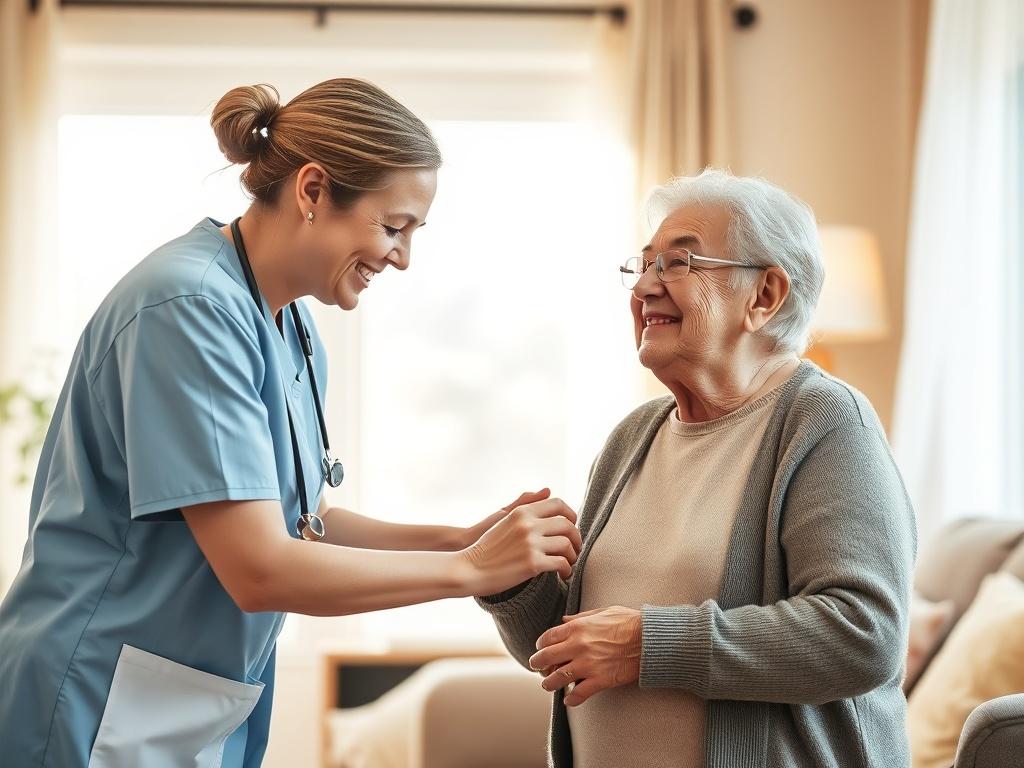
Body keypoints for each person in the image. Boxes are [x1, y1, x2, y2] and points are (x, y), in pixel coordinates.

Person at [0, 78, 581, 768]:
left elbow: (301, 521)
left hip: (180, 700)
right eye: (393, 226)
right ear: (312, 192)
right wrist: (465, 569)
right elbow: (260, 568)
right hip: (91, 696)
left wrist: (456, 537)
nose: (402, 257)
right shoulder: (188, 308)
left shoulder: (290, 324)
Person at [478, 169, 917, 768]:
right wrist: (515, 583)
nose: (645, 289)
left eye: (680, 264)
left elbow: (863, 635)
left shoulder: (824, 421)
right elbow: (581, 657)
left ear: (764, 296)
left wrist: (646, 646)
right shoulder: (633, 437)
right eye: (643, 265)